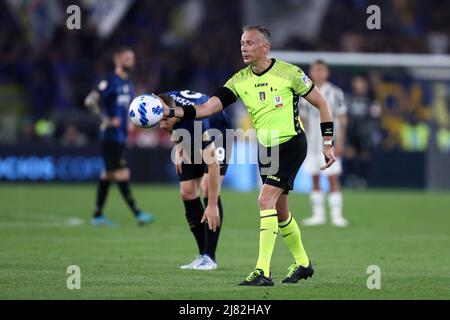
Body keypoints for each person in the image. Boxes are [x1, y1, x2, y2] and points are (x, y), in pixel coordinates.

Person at [162, 26, 336, 286]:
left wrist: (327, 143)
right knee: (280, 211)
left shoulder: (290, 73)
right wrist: (176, 113)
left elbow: (322, 104)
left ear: (265, 47)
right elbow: (208, 107)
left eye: (250, 43)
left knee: (264, 199)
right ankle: (303, 263)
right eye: (242, 43)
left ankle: (262, 271)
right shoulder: (239, 80)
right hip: (265, 149)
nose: (244, 47)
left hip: (290, 145)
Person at [158, 90, 232, 270]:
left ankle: (210, 257)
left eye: (164, 120)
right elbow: (170, 122)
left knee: (208, 189)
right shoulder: (162, 103)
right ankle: (201, 255)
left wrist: (212, 204)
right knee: (187, 192)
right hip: (188, 134)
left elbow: (213, 164)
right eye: (158, 120)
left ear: (174, 111)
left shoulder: (197, 122)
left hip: (219, 134)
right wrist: (179, 145)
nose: (161, 125)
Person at [84, 47, 154, 226]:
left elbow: (129, 109)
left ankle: (97, 215)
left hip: (121, 136)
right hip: (110, 137)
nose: (132, 61)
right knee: (122, 173)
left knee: (107, 175)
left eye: (133, 58)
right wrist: (105, 119)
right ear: (118, 60)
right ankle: (138, 213)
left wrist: (132, 123)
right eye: (128, 58)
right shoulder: (110, 81)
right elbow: (90, 101)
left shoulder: (128, 84)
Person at [300, 60, 349, 227]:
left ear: (327, 72)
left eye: (322, 70)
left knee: (333, 178)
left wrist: (340, 142)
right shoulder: (304, 94)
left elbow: (342, 120)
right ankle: (318, 215)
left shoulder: (335, 93)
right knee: (314, 178)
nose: (319, 73)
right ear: (311, 72)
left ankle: (337, 216)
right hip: (311, 144)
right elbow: (303, 121)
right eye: (316, 70)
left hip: (329, 144)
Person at [345, 75, 381, 188]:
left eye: (361, 83)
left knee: (365, 154)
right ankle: (351, 178)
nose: (359, 86)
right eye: (357, 83)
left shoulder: (371, 100)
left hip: (365, 132)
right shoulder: (350, 99)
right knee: (350, 152)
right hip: (352, 131)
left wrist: (373, 131)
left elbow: (376, 117)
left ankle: (362, 179)